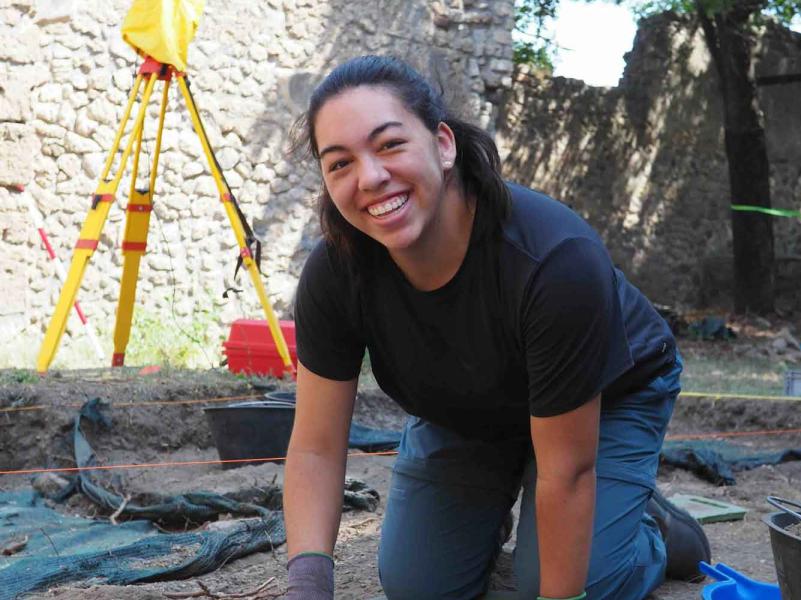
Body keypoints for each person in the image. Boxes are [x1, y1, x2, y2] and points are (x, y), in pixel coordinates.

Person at [282, 55, 710, 600]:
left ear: (443, 143)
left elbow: (568, 471)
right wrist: (308, 585)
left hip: (607, 398)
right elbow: (317, 447)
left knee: (565, 583)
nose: (369, 177)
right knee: (419, 589)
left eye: (390, 144)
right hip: (468, 410)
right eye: (339, 163)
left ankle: (647, 534)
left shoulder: (555, 261)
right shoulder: (336, 272)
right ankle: (499, 519)